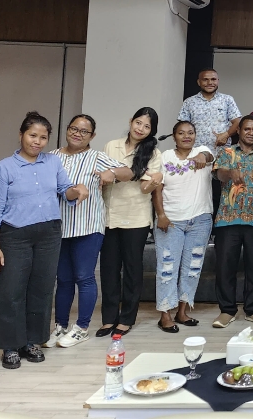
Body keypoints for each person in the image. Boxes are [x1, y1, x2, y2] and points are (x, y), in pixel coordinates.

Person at [0, 111, 88, 369]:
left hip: (49, 234)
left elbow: (65, 191)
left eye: (43, 137)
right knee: (11, 291)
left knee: (41, 290)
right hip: (14, 235)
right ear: (21, 135)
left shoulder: (53, 162)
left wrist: (77, 190)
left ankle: (32, 341)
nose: (37, 142)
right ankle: (11, 345)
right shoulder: (5, 166)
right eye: (32, 135)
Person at [45, 115, 133, 348]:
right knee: (63, 280)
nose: (78, 134)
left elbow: (128, 173)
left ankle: (81, 328)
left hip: (88, 227)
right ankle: (60, 326)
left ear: (92, 136)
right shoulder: (51, 157)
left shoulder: (97, 157)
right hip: (59, 227)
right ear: (67, 130)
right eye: (74, 129)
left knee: (84, 277)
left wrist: (111, 173)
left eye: (84, 131)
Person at [99, 107, 164, 337]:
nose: (141, 129)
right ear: (130, 121)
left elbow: (146, 188)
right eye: (138, 123)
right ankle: (108, 319)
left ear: (151, 131)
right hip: (109, 216)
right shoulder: (111, 145)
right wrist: (131, 174)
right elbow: (104, 177)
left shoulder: (153, 153)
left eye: (147, 126)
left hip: (136, 217)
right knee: (108, 269)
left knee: (132, 270)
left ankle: (126, 319)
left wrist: (153, 180)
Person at [212, 115, 253, 328]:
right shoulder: (227, 153)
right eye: (247, 129)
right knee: (225, 267)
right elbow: (219, 175)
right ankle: (227, 311)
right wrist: (230, 173)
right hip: (227, 219)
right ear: (239, 131)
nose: (251, 133)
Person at [151, 121, 214, 333]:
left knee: (192, 268)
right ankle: (165, 314)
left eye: (190, 133)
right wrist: (160, 215)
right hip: (171, 221)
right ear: (174, 136)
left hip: (200, 220)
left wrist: (202, 157)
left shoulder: (202, 151)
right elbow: (157, 189)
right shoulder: (164, 157)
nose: (186, 136)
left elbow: (209, 157)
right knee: (167, 268)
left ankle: (182, 311)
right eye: (181, 133)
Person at [177, 68, 242, 215]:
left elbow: (237, 122)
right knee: (197, 193)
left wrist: (226, 134)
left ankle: (217, 227)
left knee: (220, 194)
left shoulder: (227, 100)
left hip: (222, 156)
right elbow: (182, 127)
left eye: (213, 79)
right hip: (197, 157)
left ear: (218, 81)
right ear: (199, 82)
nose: (209, 82)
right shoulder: (189, 102)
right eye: (205, 79)